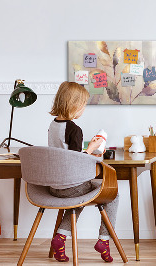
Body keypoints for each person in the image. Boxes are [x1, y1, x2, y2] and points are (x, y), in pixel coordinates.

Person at [48, 81, 118, 263]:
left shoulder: (53, 125)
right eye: (83, 105)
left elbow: (65, 154)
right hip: (71, 186)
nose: (84, 109)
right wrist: (92, 149)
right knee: (113, 194)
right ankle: (104, 240)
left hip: (54, 186)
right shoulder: (74, 129)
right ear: (74, 105)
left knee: (79, 197)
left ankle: (60, 238)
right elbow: (75, 161)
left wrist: (87, 149)